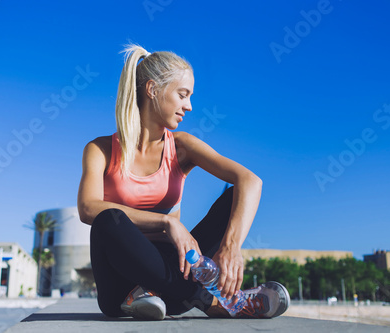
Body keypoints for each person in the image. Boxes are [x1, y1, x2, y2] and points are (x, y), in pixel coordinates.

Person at [77, 43, 290, 320]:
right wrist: (167, 222)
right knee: (109, 219)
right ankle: (217, 301)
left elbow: (251, 181)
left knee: (233, 197)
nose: (188, 106)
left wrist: (231, 247)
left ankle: (182, 293)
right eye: (182, 95)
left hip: (173, 273)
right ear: (152, 90)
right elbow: (87, 208)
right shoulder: (100, 149)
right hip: (120, 285)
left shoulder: (182, 147)